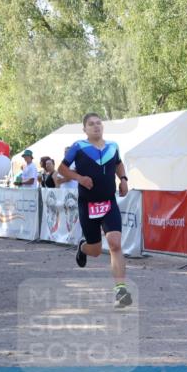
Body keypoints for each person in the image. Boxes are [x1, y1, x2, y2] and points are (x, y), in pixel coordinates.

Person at [57, 112, 132, 307]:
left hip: (108, 203)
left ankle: (121, 290)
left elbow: (118, 164)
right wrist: (80, 178)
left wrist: (123, 179)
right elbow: (62, 169)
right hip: (87, 204)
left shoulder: (113, 146)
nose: (96, 126)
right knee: (96, 250)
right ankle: (82, 247)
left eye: (98, 123)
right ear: (85, 129)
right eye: (91, 124)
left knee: (115, 243)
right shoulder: (78, 147)